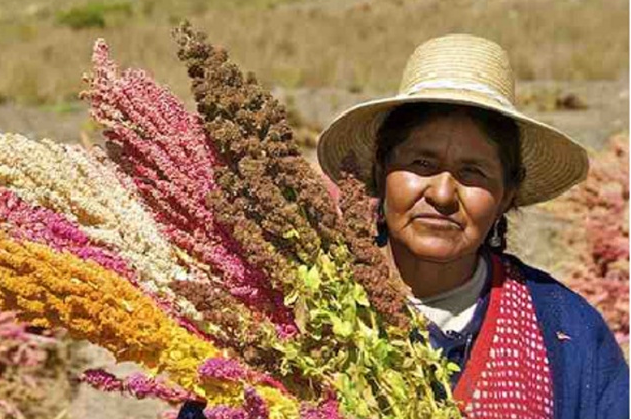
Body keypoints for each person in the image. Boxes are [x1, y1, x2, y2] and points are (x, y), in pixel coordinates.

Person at [178, 34, 628, 418]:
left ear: (507, 194)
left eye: (473, 172)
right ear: (380, 172)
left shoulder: (564, 329)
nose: (443, 194)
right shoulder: (287, 310)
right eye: (421, 162)